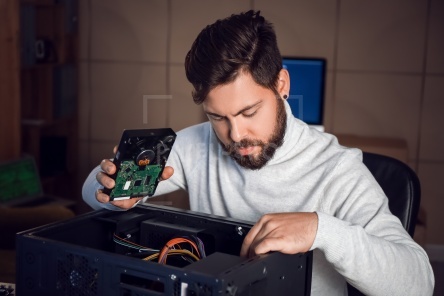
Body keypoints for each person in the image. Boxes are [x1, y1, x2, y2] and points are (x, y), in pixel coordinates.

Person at [83, 10, 434, 295]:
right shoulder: (197, 144)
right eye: (218, 117)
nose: (236, 135)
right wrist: (114, 192)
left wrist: (322, 231)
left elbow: (419, 283)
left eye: (249, 113)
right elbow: (90, 191)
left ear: (281, 85)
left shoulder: (337, 170)